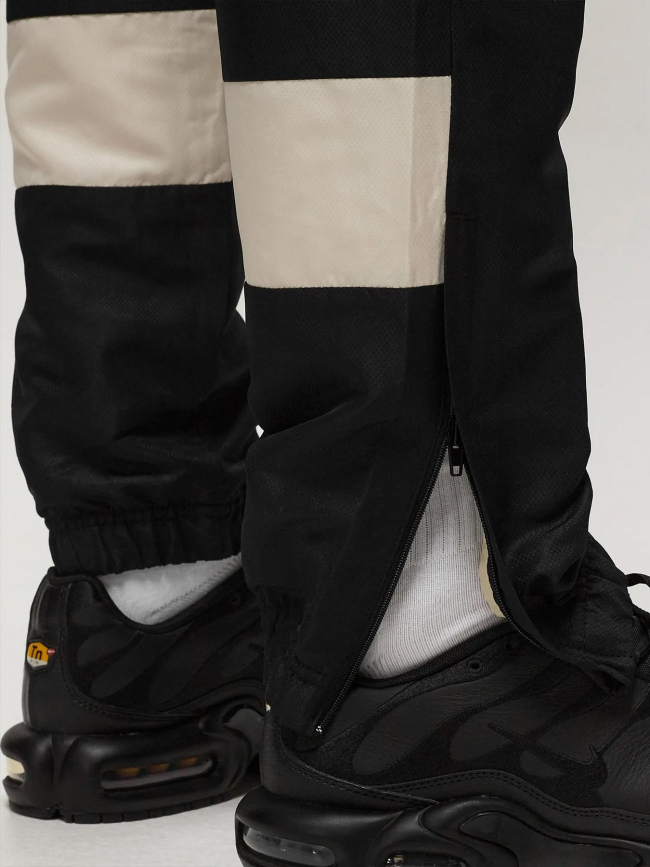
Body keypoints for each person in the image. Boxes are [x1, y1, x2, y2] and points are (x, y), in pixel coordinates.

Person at [2, 1, 648, 864]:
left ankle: (153, 577)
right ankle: (427, 625)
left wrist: (143, 523)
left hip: (125, 549)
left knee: (121, 25)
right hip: (408, 643)